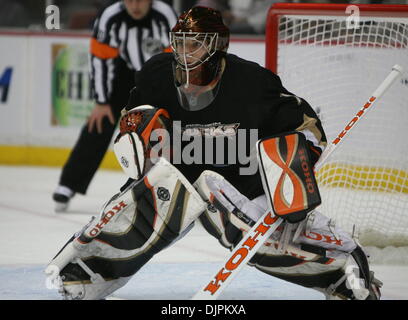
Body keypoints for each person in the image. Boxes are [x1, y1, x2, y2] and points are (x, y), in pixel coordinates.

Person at [46, 6, 382, 300]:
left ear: (217, 45)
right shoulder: (155, 76)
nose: (185, 52)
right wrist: (135, 135)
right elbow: (132, 127)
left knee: (254, 234)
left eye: (195, 43)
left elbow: (306, 125)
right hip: (180, 179)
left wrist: (294, 166)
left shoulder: (252, 82)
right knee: (139, 208)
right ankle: (88, 273)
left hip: (244, 187)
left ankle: (344, 270)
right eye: (180, 43)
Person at [52, 0, 177, 212]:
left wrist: (170, 97)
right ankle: (69, 183)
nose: (135, 6)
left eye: (140, 0)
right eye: (130, 0)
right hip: (123, 76)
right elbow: (100, 60)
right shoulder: (110, 17)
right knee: (99, 123)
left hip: (158, 77)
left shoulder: (165, 16)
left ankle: (173, 186)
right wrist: (102, 102)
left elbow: (174, 61)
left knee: (166, 127)